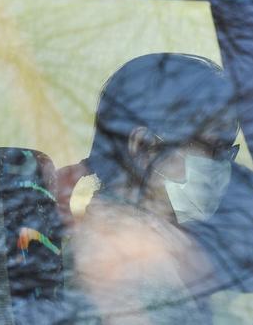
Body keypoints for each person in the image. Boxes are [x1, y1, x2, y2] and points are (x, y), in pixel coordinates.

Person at [65, 53, 241, 324]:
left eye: (230, 150)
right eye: (214, 148)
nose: (223, 165)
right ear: (144, 146)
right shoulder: (122, 258)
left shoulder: (163, 245)